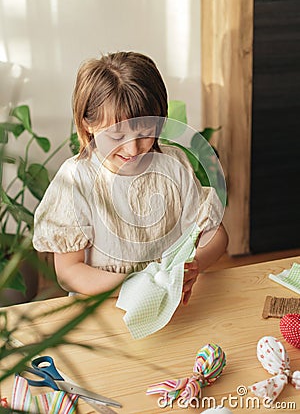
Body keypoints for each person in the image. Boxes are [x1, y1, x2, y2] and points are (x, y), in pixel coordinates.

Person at [33, 51, 228, 305]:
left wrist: (195, 265)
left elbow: (217, 235)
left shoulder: (174, 166)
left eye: (145, 133)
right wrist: (137, 286)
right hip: (101, 308)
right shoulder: (75, 181)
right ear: (87, 124)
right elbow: (69, 273)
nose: (132, 150)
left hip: (169, 304)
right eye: (116, 138)